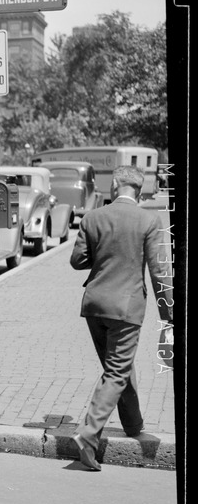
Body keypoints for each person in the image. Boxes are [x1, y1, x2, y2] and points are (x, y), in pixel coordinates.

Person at [68, 165, 173, 471]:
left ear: (114, 185)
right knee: (116, 370)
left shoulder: (93, 217)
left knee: (117, 366)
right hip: (127, 308)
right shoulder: (150, 220)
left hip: (95, 306)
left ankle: (132, 423)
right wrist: (168, 312)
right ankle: (87, 436)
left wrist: (102, 250)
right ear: (140, 191)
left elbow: (77, 261)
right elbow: (159, 272)